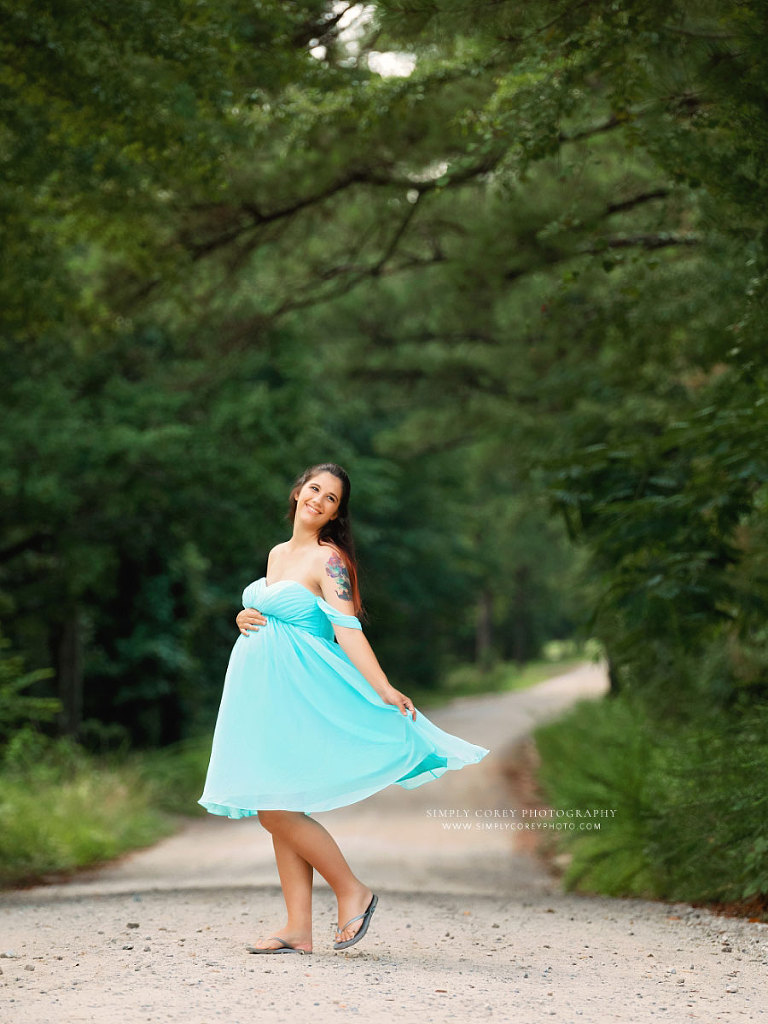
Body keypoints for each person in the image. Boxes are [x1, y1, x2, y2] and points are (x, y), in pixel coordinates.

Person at [198, 462, 490, 954]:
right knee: (280, 799)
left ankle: (352, 889)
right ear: (297, 493)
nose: (319, 500)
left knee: (275, 809)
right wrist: (245, 613)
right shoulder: (276, 554)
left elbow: (346, 629)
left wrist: (383, 687)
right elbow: (278, 610)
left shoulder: (329, 559)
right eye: (314, 489)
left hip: (300, 692)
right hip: (263, 696)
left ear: (336, 513)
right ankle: (297, 928)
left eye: (331, 498)